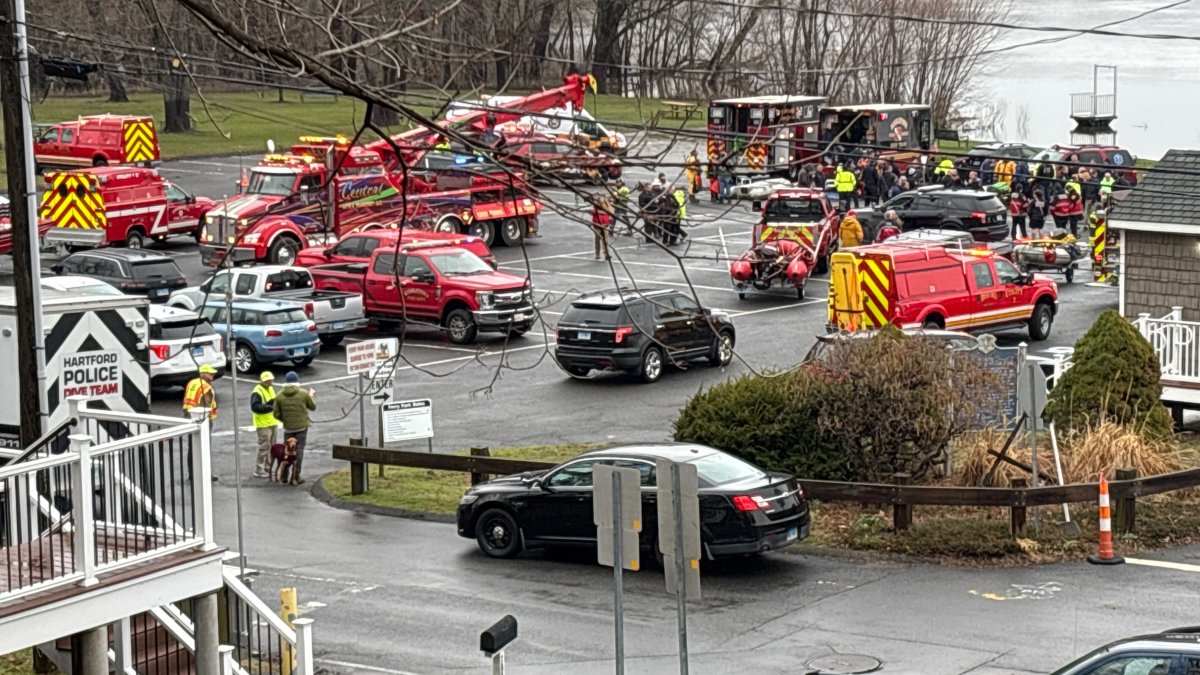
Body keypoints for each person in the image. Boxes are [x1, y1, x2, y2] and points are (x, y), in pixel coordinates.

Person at [273, 371, 316, 486]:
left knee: (286, 451)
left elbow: (276, 414)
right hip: (301, 427)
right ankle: (296, 476)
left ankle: (284, 476)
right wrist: (311, 396)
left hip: (288, 428)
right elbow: (313, 407)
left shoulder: (279, 395)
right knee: (299, 450)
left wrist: (285, 420)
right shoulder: (303, 393)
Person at [183, 364, 218, 482]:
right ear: (203, 374)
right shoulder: (206, 387)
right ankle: (205, 474)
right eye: (210, 373)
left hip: (189, 416)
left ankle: (192, 474)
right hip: (202, 418)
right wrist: (210, 419)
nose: (212, 375)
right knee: (204, 447)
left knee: (192, 447)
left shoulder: (192, 383)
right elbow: (207, 405)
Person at [250, 371, 278, 479]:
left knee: (271, 447)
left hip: (272, 421)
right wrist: (270, 407)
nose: (269, 382)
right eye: (267, 381)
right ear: (261, 381)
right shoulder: (257, 391)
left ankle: (268, 467)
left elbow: (273, 401)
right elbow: (255, 407)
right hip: (263, 424)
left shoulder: (270, 388)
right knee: (264, 447)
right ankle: (259, 469)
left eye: (270, 380)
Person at [591, 196, 613, 260]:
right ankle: (597, 254)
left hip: (605, 225)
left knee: (605, 240)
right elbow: (593, 212)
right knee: (597, 240)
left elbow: (610, 216)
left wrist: (609, 219)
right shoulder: (595, 207)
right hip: (597, 225)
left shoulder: (607, 208)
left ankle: (606, 254)